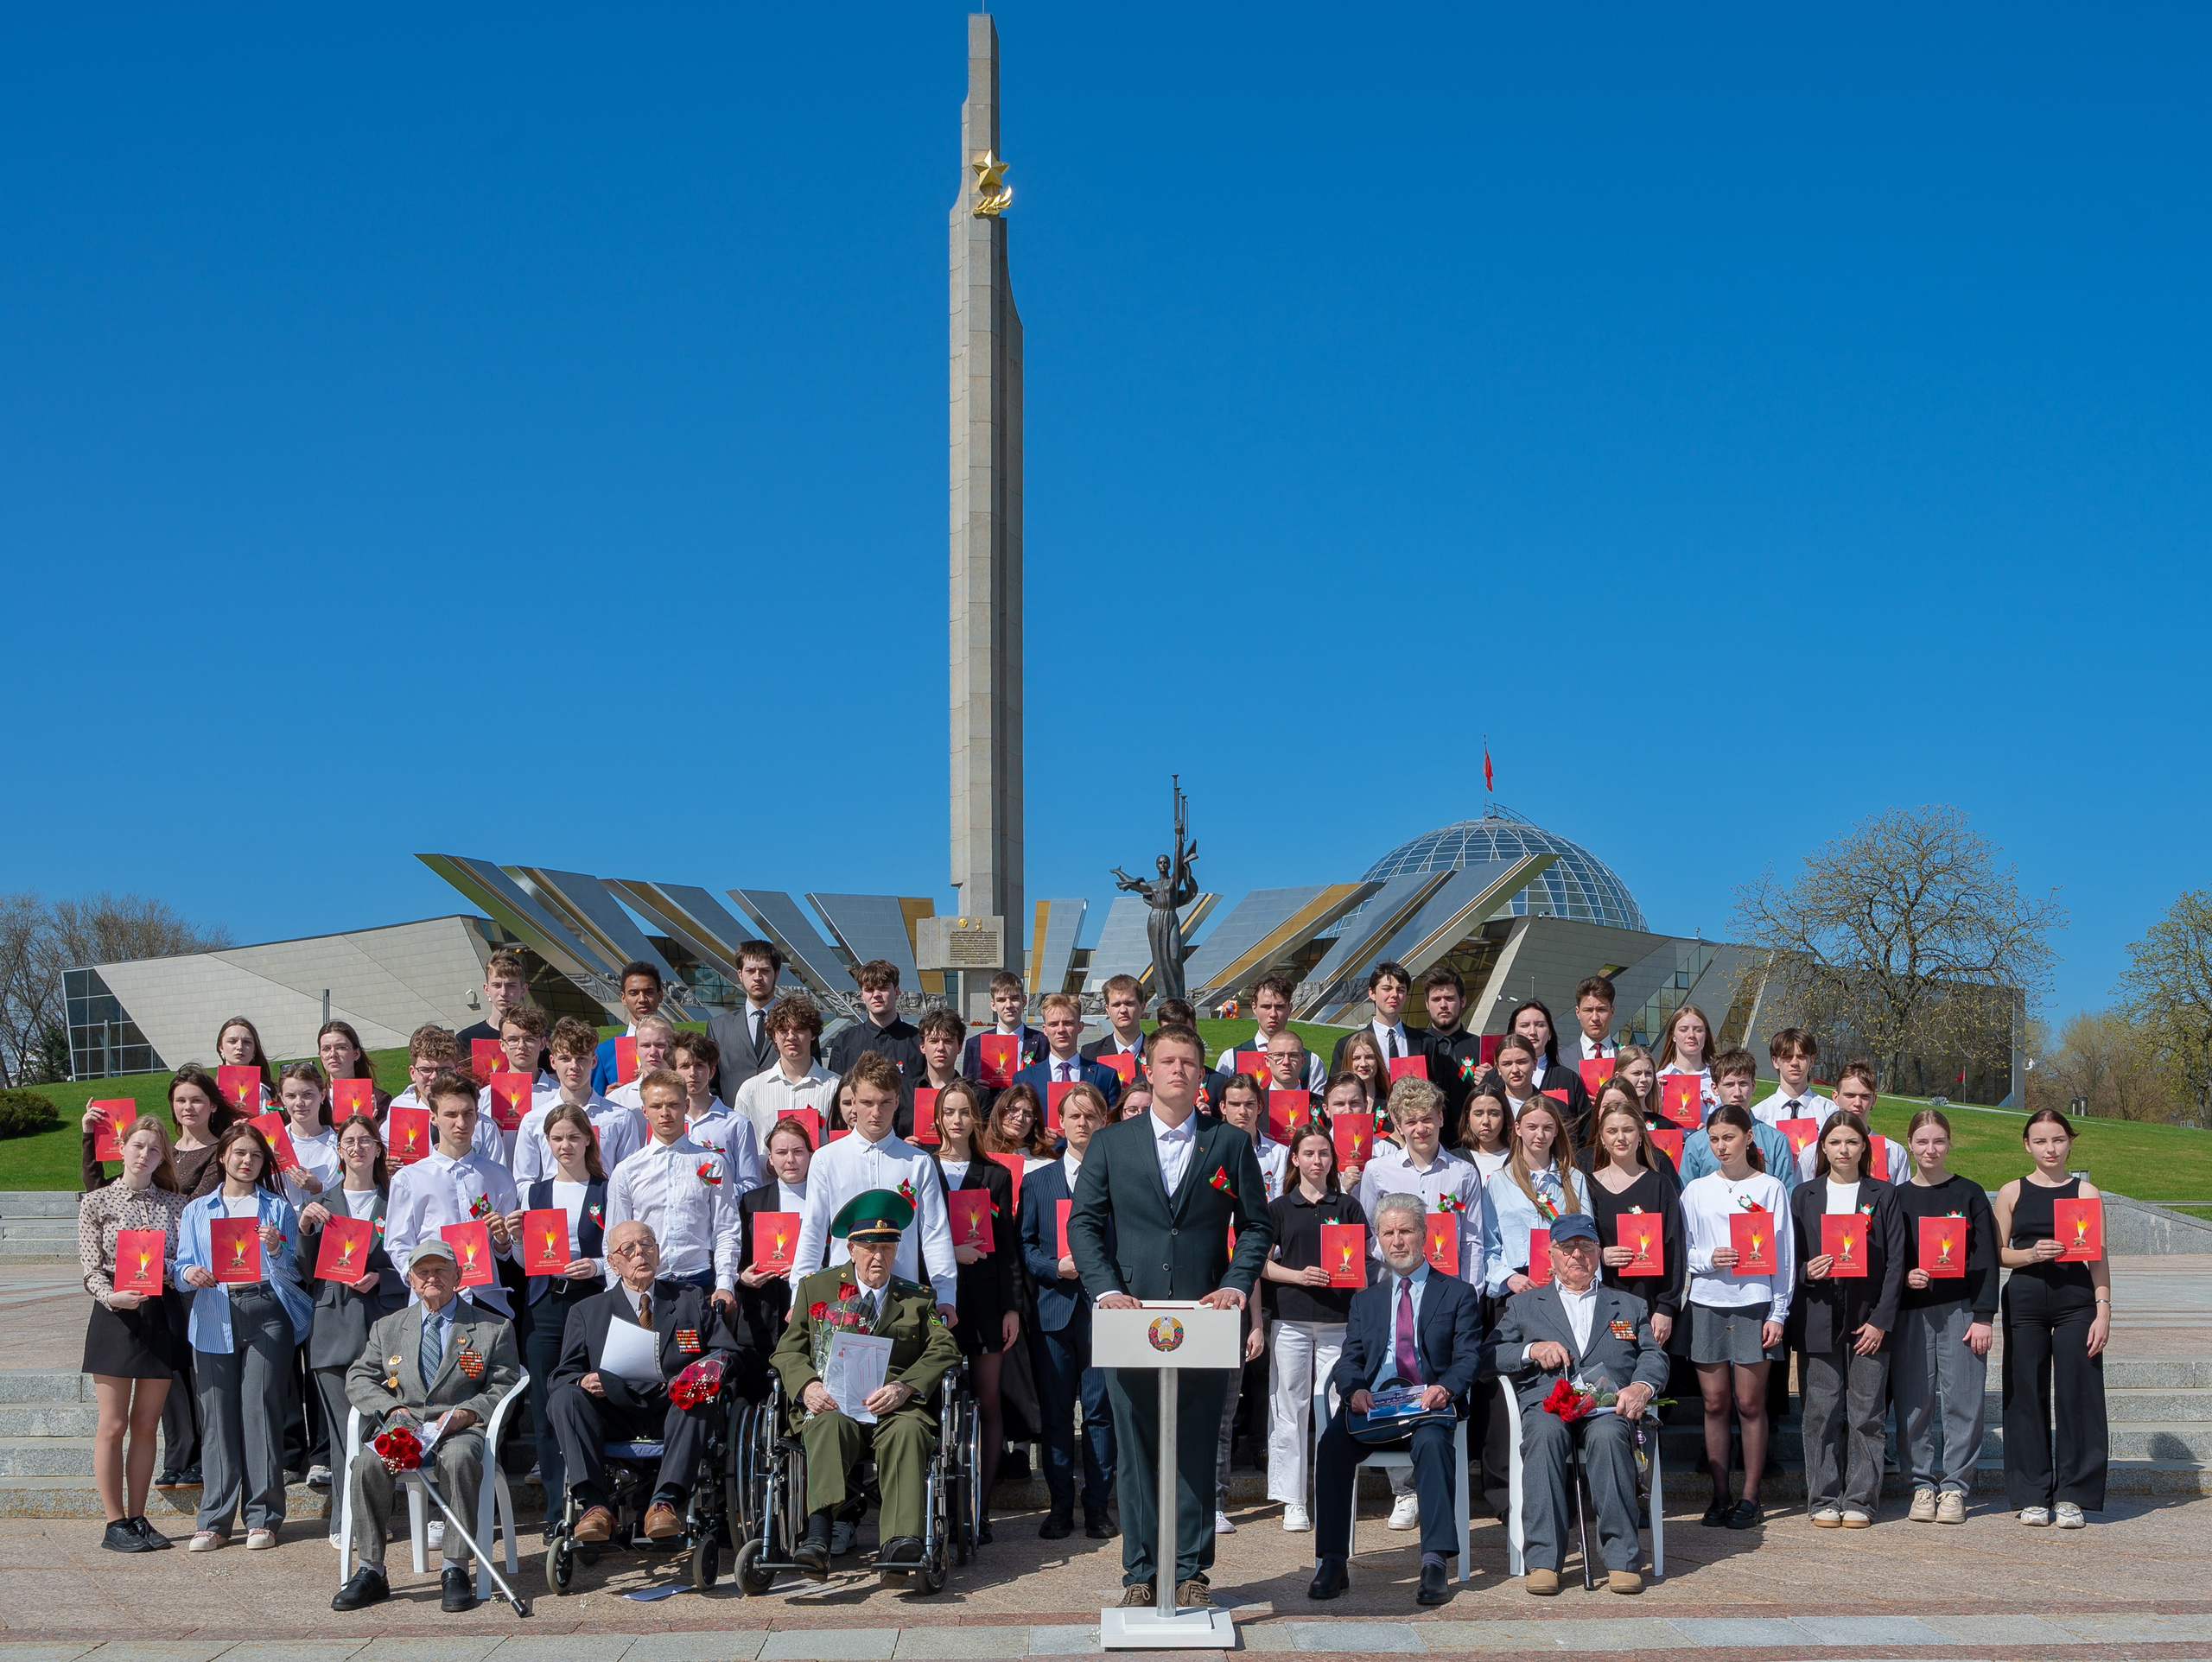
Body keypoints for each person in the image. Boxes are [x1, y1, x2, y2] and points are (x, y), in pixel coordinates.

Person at [1066, 1022, 1274, 1611]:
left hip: (1204, 1318)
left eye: (1188, 1061)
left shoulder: (1229, 1143)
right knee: (1135, 1448)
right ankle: (1139, 1570)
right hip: (1130, 1316)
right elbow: (1083, 1224)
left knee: (1196, 1445)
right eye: (1168, 1061)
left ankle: (1189, 1569)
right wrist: (1105, 1289)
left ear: (1199, 1073)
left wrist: (1236, 1285)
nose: (1178, 1070)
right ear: (1149, 1071)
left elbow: (1257, 1224)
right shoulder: (1111, 1142)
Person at [771, 1189, 963, 1576]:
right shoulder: (817, 1289)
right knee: (826, 1422)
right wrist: (808, 1385)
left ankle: (901, 1540)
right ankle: (819, 1535)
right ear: (851, 1249)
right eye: (870, 1247)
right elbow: (787, 1352)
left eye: (888, 1248)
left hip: (892, 1406)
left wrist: (905, 1387)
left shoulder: (917, 1298)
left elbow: (945, 1350)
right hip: (834, 1401)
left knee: (909, 1430)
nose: (879, 1257)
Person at [1306, 1191, 1484, 1608]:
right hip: (1376, 1408)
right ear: (1378, 1240)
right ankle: (1331, 1560)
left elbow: (1468, 1358)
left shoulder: (1457, 1293)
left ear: (1424, 1235)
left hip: (1427, 1407)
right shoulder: (1365, 1301)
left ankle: (1434, 1560)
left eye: (1406, 1231)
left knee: (1433, 1443)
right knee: (1331, 1445)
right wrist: (1354, 1390)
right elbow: (1349, 1360)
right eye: (1388, 1233)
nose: (1397, 1240)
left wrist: (1447, 1389)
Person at [332, 1237, 524, 1613]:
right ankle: (371, 1570)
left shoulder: (492, 1327)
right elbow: (358, 1378)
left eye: (440, 1271)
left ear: (459, 1275)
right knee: (367, 1463)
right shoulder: (387, 1328)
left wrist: (469, 1412)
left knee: (460, 1460)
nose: (431, 1278)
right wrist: (388, 1409)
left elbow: (505, 1383)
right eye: (423, 1272)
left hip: (459, 1427)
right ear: (411, 1280)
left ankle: (455, 1568)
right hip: (403, 1429)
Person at [1484, 1216, 1668, 1596]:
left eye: (1585, 1247)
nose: (1576, 1256)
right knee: (1545, 1435)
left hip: (1607, 1407)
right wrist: (1531, 1350)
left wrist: (1641, 1386)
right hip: (1549, 1404)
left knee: (1607, 1437)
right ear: (1550, 1255)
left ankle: (1621, 1559)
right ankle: (1543, 1560)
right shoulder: (1524, 1305)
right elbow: (1487, 1355)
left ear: (1599, 1253)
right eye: (1567, 1248)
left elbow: (1653, 1354)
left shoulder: (1629, 1305)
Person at [546, 1221, 738, 1544]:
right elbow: (562, 1375)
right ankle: (594, 1507)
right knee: (565, 1398)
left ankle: (664, 1503)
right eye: (629, 1249)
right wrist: (584, 1381)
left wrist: (697, 1374)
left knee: (699, 1394)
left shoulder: (689, 1299)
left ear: (659, 1252)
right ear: (613, 1262)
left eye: (647, 1244)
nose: (640, 1254)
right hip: (615, 1411)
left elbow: (727, 1354)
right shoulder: (588, 1311)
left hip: (674, 1410)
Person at [175, 1122, 313, 1551]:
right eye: (239, 1153)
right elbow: (179, 1267)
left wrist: (275, 1249)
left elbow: (293, 1272)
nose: (247, 1161)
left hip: (266, 1310)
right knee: (217, 1416)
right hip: (215, 1310)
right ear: (223, 1157)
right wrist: (188, 1273)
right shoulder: (198, 1210)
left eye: (254, 1155)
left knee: (261, 1411)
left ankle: (264, 1517)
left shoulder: (276, 1207)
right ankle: (214, 1520)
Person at [78, 1113, 190, 1553]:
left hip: (158, 1313)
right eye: (138, 1146)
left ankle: (138, 1517)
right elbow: (89, 1269)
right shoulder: (97, 1202)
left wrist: (163, 1272)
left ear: (163, 1156)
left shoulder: (174, 1205)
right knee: (114, 1423)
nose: (145, 1155)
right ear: (121, 1148)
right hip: (115, 1316)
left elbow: (182, 1260)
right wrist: (113, 1296)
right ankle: (113, 1522)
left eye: (155, 1148)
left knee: (146, 1424)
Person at [1788, 1109, 1905, 1529]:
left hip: (1868, 1317)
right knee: (1820, 1410)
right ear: (1823, 1147)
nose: (1843, 1149)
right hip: (1819, 1314)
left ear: (1864, 1148)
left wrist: (1881, 1321)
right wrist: (1805, 1271)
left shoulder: (1884, 1194)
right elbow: (1789, 1257)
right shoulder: (1803, 1195)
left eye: (1852, 1142)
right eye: (1835, 1142)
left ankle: (1860, 1499)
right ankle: (1822, 1497)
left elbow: (1897, 1263)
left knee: (1867, 1412)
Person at [1994, 1107, 2110, 1528]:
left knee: (2079, 1393)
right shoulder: (2011, 1192)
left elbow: (2097, 1255)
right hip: (2025, 1301)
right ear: (2027, 1145)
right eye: (2040, 1140)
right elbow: (1997, 1252)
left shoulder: (2086, 1193)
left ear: (2070, 1143)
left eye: (2058, 1139)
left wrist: (2103, 1309)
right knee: (2025, 1393)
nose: (2050, 1148)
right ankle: (2031, 1493)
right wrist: (2028, 1255)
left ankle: (2073, 1495)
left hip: (2076, 1301)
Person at [1679, 1102, 1793, 1529]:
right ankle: (1720, 1493)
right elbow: (1683, 1251)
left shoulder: (1771, 1188)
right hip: (1708, 1301)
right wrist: (1709, 1259)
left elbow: (1782, 1255)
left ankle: (1750, 1496)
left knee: (1749, 1402)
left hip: (1753, 1302)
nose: (1721, 1146)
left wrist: (1778, 1311)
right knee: (1713, 1402)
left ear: (1749, 1137)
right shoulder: (1697, 1191)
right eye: (1714, 1139)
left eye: (1729, 1137)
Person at [296, 1113, 407, 1530]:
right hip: (333, 1330)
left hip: (383, 1325)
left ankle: (378, 1516)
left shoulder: (396, 1200)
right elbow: (304, 1271)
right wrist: (305, 1228)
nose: (357, 1148)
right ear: (339, 1151)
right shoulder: (321, 1205)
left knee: (381, 1429)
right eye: (349, 1142)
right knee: (345, 1435)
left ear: (379, 1149)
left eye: (366, 1140)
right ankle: (347, 1520)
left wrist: (382, 1277)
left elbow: (413, 1264)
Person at [1016, 1081, 1116, 1542]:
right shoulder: (1038, 1182)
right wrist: (1056, 1267)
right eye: (1074, 1116)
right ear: (1059, 1125)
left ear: (1103, 1122)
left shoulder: (1120, 1177)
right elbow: (1025, 1246)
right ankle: (1059, 1507)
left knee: (1099, 1413)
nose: (1082, 1123)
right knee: (1057, 1415)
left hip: (1103, 1312)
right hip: (1054, 1311)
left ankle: (1097, 1506)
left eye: (1090, 1115)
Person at [1889, 1107, 1998, 1526]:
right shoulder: (1895, 1196)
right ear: (1911, 1145)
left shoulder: (1969, 1194)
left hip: (1962, 1311)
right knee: (1915, 1402)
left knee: (1964, 1401)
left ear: (1949, 1144)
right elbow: (1887, 1257)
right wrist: (1904, 1276)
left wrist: (1984, 1316)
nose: (1930, 1149)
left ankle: (1954, 1487)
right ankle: (1920, 1484)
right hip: (1911, 1314)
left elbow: (1986, 1257)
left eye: (1938, 1141)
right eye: (1922, 1141)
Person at [925, 1079, 1021, 1543]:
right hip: (934, 1300)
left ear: (975, 1119)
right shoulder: (921, 1168)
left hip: (984, 1300)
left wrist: (1011, 1307)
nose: (957, 1120)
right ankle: (932, 1504)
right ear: (938, 1118)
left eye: (965, 1112)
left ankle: (978, 1508)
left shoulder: (995, 1174)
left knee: (986, 1402)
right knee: (930, 1400)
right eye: (949, 1112)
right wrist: (949, 1253)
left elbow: (1006, 1249)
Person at [789, 1052, 957, 1311]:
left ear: (897, 1101)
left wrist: (946, 1296)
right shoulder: (826, 1159)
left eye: (885, 1102)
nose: (876, 1112)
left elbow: (935, 1234)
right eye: (867, 1102)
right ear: (853, 1101)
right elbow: (813, 1231)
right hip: (841, 1299)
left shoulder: (919, 1162)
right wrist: (797, 1297)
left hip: (903, 1299)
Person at [1262, 1123, 1363, 1535]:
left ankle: (1332, 1491)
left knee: (1336, 1409)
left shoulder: (1349, 1207)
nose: (1317, 1161)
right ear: (1295, 1159)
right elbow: (1260, 1264)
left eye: (1324, 1153)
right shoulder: (1280, 1208)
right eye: (1309, 1153)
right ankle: (1293, 1500)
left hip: (1339, 1324)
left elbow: (1360, 1272)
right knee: (1289, 1409)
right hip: (1291, 1321)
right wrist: (1297, 1277)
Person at [385, 1072, 522, 1317]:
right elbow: (397, 1242)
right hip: (430, 1301)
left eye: (468, 1114)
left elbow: (505, 1250)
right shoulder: (410, 1179)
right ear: (434, 1117)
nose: (461, 1123)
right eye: (451, 1114)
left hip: (486, 1299)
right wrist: (422, 1281)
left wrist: (502, 1239)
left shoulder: (499, 1176)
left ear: (477, 1116)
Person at [607, 1069, 742, 1305]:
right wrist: (617, 1294)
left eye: (673, 1104)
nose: (665, 1113)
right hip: (645, 1288)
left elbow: (726, 1229)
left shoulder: (711, 1164)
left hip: (699, 1283)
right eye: (656, 1106)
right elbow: (614, 1239)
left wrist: (724, 1284)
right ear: (644, 1111)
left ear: (687, 1105)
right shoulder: (627, 1171)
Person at [1581, 1090, 1685, 1344]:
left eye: (1628, 1130)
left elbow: (1674, 1249)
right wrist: (1600, 1254)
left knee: (1649, 1374)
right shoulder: (1587, 1186)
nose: (1620, 1138)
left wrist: (1666, 1307)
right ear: (1602, 1139)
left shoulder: (1660, 1185)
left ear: (1640, 1136)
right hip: (1604, 1304)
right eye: (1612, 1131)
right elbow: (1578, 1241)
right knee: (1613, 1372)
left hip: (1650, 1304)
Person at [1478, 1095, 1591, 1302]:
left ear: (1556, 1131)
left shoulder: (1574, 1179)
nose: (1540, 1135)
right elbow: (1486, 1245)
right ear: (1518, 1129)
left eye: (1547, 1127)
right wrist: (1508, 1277)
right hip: (1516, 1289)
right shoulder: (1499, 1182)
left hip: (1565, 1290)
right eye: (1532, 1127)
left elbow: (1589, 1240)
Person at [513, 1017, 637, 1184]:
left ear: (593, 1061)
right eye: (565, 1058)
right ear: (553, 1062)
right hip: (554, 1206)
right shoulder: (534, 1120)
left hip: (604, 1206)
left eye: (581, 1058)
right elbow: (523, 1181)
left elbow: (629, 1177)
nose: (574, 1066)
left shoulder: (620, 1117)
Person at [391, 1025, 507, 1167]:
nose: (434, 1077)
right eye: (426, 1070)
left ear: (457, 1071)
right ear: (412, 1072)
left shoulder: (483, 1126)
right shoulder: (397, 1113)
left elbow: (497, 1175)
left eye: (444, 1070)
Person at [1680, 1050, 1797, 1190]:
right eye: (1729, 1085)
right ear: (1715, 1088)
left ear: (1753, 1085)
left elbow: (1786, 1195)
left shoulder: (1776, 1141)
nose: (1737, 1093)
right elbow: (1687, 1197)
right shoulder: (1696, 1143)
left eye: (1743, 1084)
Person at [733, 995, 840, 1145]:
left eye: (800, 1029)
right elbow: (739, 1145)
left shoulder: (836, 1087)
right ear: (774, 1036)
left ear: (813, 1034)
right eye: (783, 1030)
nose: (791, 1037)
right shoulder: (751, 1090)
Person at [668, 1029, 760, 1183]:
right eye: (684, 1066)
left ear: (711, 1072)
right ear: (673, 1072)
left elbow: (751, 1183)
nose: (692, 1073)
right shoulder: (664, 1121)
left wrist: (718, 1193)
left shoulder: (736, 1124)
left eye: (699, 1066)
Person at [707, 939, 793, 1103]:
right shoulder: (718, 1027)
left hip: (784, 1120)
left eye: (765, 970)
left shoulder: (797, 1025)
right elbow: (711, 1084)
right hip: (734, 1120)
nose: (757, 977)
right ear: (740, 974)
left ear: (777, 974)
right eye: (750, 971)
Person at [1013, 992, 1124, 1112]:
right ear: (1045, 1030)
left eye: (1068, 1023)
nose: (1061, 1030)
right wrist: (1041, 1130)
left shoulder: (1105, 1076)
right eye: (1054, 1024)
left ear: (1080, 1027)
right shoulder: (1024, 1079)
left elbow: (1113, 1123)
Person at [1796, 1063, 1907, 1182]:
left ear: (1874, 1100)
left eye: (1865, 1096)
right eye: (1850, 1095)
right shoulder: (1812, 1154)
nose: (1857, 1103)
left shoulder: (1895, 1153)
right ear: (1835, 1097)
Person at [1502, 999, 1592, 1143]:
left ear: (1550, 1033)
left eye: (1540, 1025)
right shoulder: (1495, 1078)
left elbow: (1586, 1130)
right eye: (1525, 1025)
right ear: (1512, 1033)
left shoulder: (1568, 1078)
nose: (1532, 1032)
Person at [1217, 976, 1328, 1091]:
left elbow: (1318, 1105)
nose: (1273, 1014)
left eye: (1279, 1007)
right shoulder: (1230, 1059)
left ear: (1290, 1009)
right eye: (1266, 1006)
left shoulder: (1312, 1062)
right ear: (1254, 1008)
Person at [825, 959, 925, 1082]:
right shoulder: (844, 1042)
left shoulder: (918, 1042)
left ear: (897, 992)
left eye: (883, 988)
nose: (876, 994)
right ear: (862, 995)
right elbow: (836, 1093)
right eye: (869, 990)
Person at [455, 949, 545, 1074]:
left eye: (511, 986)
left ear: (523, 990)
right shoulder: (465, 1039)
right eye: (497, 985)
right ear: (486, 989)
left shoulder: (539, 1039)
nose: (503, 993)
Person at [1419, 966, 1484, 1128]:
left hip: (1473, 1140)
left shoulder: (1481, 1048)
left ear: (1462, 1001)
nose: (1443, 1005)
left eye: (1449, 998)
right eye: (1436, 999)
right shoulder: (1415, 1047)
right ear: (1427, 1004)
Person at [592, 960, 669, 1094]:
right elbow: (592, 1106)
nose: (642, 999)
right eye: (634, 993)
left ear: (660, 995)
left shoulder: (679, 1047)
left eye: (649, 992)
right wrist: (606, 1100)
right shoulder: (604, 1053)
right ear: (623, 998)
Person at [1330, 963, 1420, 1077]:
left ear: (1406, 995)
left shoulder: (1425, 1043)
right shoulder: (1346, 1045)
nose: (1394, 994)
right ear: (1372, 993)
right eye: (1387, 989)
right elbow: (1336, 1090)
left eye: (1401, 990)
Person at [273, 1062, 340, 1211]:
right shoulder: (272, 1144)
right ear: (282, 1099)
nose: (299, 1103)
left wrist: (318, 1188)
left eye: (307, 1095)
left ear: (322, 1094)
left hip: (326, 1228)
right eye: (291, 1096)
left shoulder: (338, 1145)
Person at [1215, 1072, 1289, 1202]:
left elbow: (1280, 1202)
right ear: (1223, 1107)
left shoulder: (1280, 1154)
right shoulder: (1210, 1152)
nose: (1242, 1111)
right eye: (1235, 1104)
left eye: (1249, 1104)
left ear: (1259, 1106)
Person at [962, 971, 1046, 1084]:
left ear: (1024, 1001)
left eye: (1014, 998)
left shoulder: (1042, 1042)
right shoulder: (975, 1044)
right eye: (1001, 1000)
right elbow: (966, 1090)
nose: (1008, 1005)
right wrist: (978, 1090)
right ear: (993, 1005)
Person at [1751, 1028, 1833, 1132]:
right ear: (1775, 1061)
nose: (1794, 1063)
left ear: (1811, 1060)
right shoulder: (1758, 1116)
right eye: (1787, 1057)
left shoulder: (1830, 1112)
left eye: (1801, 1057)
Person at [1653, 1005, 1718, 1119]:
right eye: (1683, 1030)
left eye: (1698, 1030)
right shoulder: (1658, 1080)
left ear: (1706, 1035)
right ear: (1673, 1036)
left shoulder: (1718, 1079)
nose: (1691, 1035)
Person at [604, 1012, 676, 1113]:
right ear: (636, 1049)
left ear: (673, 1048)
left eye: (660, 1045)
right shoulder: (617, 1100)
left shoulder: (690, 1095)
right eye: (646, 1045)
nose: (652, 1052)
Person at [320, 1018, 391, 1118]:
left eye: (341, 1047)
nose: (332, 1054)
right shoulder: (313, 1098)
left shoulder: (378, 1099)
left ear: (356, 1053)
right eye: (326, 1049)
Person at [983, 1082, 1059, 1172]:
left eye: (1027, 1114)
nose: (1020, 1118)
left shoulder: (1047, 1166)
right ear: (1000, 1112)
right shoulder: (980, 1158)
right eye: (1013, 1110)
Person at [1081, 974, 1150, 1069]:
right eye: (1116, 1005)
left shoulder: (1158, 1051)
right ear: (1108, 1010)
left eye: (1129, 1003)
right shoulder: (1090, 1054)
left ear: (1142, 1007)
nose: (1123, 1010)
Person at [213, 1016, 278, 1111]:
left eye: (247, 1042)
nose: (240, 1047)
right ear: (221, 1047)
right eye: (232, 1041)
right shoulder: (209, 1090)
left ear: (254, 1050)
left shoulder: (271, 1091)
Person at [1459, 1082, 1513, 1183]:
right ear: (1468, 1117)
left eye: (1494, 1114)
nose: (1485, 1121)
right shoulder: (1454, 1160)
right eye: (1478, 1114)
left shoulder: (1519, 1158)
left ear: (1505, 1116)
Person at [1567, 976, 1619, 1069]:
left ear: (1612, 1012)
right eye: (1588, 1010)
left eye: (1601, 1010)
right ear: (1578, 1012)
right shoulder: (1561, 1058)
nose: (1595, 1018)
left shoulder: (1628, 1057)